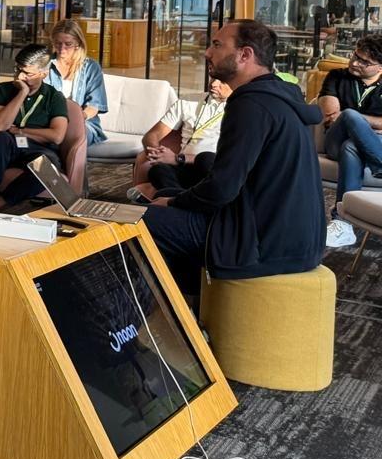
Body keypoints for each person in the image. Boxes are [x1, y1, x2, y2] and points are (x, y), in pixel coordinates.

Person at [145, 20, 325, 296]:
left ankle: (128, 333)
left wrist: (172, 201)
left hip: (263, 246)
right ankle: (192, 313)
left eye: (217, 45)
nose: (207, 53)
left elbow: (222, 189)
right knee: (176, 192)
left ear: (245, 55)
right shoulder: (278, 98)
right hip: (296, 241)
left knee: (140, 222)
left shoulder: (251, 105)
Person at [0, 44, 69, 215]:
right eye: (18, 70)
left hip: (38, 148)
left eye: (27, 73)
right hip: (8, 145)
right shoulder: (4, 90)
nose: (19, 76)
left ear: (44, 73)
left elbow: (57, 136)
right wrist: (22, 93)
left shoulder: (54, 97)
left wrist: (21, 131)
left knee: (47, 170)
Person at [315, 35, 382, 244]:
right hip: (333, 140)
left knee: (351, 146)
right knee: (349, 116)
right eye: (355, 56)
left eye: (364, 62)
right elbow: (333, 117)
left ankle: (342, 225)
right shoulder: (337, 76)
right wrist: (370, 123)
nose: (354, 63)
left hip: (352, 147)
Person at [131, 78, 230, 200]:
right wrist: (158, 154)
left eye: (222, 81)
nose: (214, 84)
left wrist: (178, 158)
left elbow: (230, 158)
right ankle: (179, 199)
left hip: (211, 169)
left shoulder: (242, 110)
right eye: (213, 78)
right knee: (158, 170)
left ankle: (172, 197)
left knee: (206, 159)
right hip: (183, 169)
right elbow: (151, 136)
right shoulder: (187, 101)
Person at [43, 19, 107, 147]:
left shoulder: (91, 68)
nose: (62, 49)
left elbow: (94, 106)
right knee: (51, 136)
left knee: (73, 135)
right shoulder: (45, 65)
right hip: (50, 122)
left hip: (83, 123)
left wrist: (76, 118)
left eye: (68, 44)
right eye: (58, 43)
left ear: (78, 43)